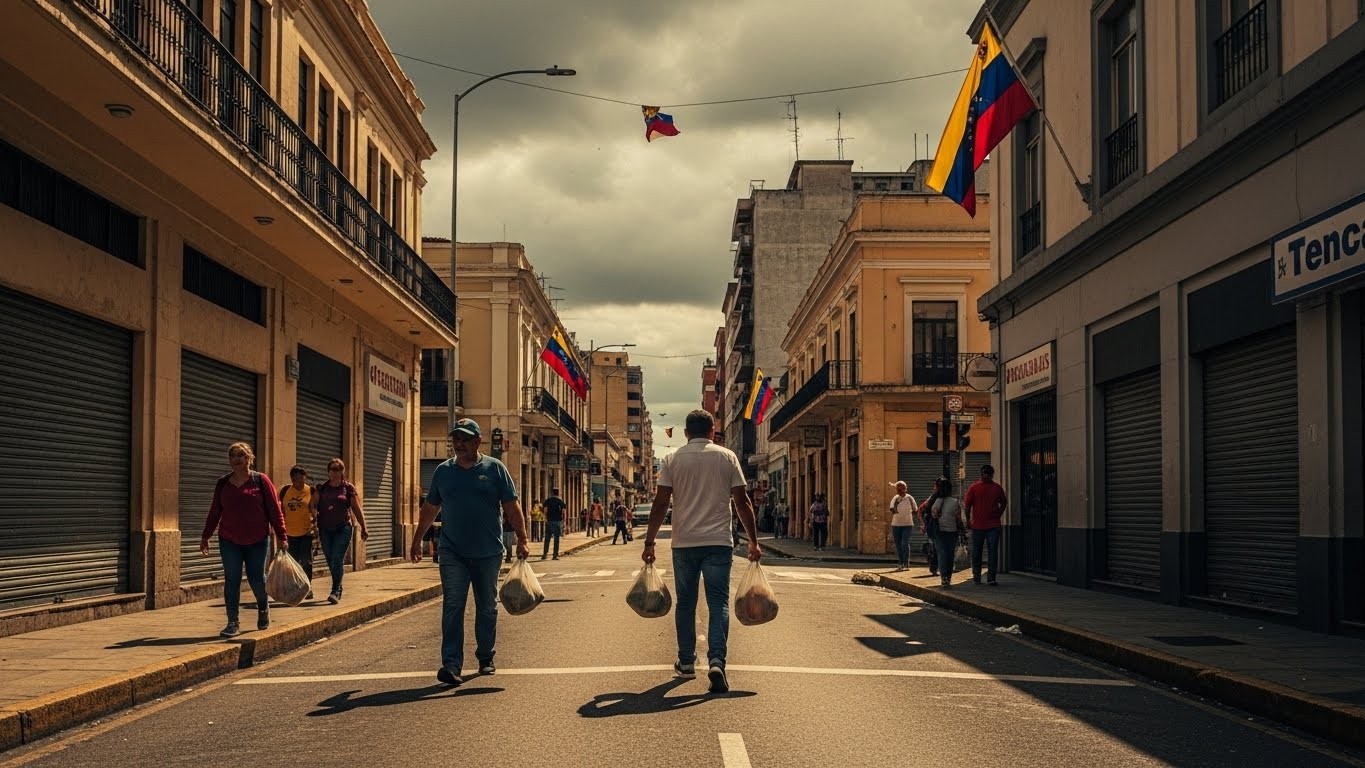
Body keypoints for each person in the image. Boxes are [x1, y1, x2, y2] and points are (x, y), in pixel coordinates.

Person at [642, 409, 761, 695]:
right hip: (719, 541)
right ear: (712, 431)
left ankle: (685, 661)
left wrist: (649, 541)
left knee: (686, 603)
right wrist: (754, 542)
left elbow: (660, 504)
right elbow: (742, 501)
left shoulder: (672, 459)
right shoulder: (727, 457)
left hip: (684, 543)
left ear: (685, 433)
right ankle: (717, 659)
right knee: (718, 601)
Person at [410, 418, 527, 687]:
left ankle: (485, 656)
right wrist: (417, 540)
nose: (459, 444)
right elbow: (430, 509)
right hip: (452, 552)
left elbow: (511, 506)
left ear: (477, 442)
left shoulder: (495, 469)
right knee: (453, 606)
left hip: (488, 553)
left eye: (465, 439)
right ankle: (451, 664)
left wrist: (521, 538)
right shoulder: (442, 472)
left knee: (487, 607)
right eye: (456, 439)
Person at [199, 442, 287, 638]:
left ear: (249, 458)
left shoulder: (260, 481)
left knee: (257, 579)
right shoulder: (223, 483)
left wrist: (282, 536)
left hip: (257, 539)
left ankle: (263, 607)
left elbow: (274, 510)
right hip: (229, 539)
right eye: (233, 456)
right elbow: (215, 511)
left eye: (241, 456)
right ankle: (232, 622)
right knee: (232, 580)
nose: (236, 460)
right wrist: (206, 535)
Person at [310, 457, 369, 604]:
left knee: (337, 558)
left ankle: (335, 590)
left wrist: (364, 527)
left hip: (343, 528)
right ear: (328, 472)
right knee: (330, 559)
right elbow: (312, 504)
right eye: (332, 469)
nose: (335, 472)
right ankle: (338, 585)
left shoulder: (348, 488)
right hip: (325, 529)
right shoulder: (321, 488)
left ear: (343, 471)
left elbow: (356, 509)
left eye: (338, 469)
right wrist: (314, 513)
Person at [964, 464, 1008, 586]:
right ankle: (977, 575)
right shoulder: (974, 487)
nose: (985, 475)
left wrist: (998, 513)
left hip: (992, 525)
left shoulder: (997, 488)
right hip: (978, 525)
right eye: (984, 473)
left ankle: (991, 577)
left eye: (988, 473)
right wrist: (968, 520)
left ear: (991, 475)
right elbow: (967, 506)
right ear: (981, 474)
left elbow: (1004, 502)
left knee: (992, 551)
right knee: (977, 552)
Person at [280, 464, 317, 600]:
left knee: (307, 562)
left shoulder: (311, 491)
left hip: (306, 533)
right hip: (289, 534)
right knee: (293, 564)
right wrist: (279, 533)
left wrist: (316, 527)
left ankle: (307, 587)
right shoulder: (284, 491)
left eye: (302, 479)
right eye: (297, 479)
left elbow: (315, 510)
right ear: (292, 479)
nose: (300, 482)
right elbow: (280, 512)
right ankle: (296, 588)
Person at [928, 478, 966, 588]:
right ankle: (948, 578)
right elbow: (958, 519)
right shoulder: (955, 502)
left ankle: (944, 578)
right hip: (952, 532)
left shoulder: (937, 500)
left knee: (942, 555)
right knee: (950, 555)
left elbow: (934, 514)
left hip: (939, 532)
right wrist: (963, 531)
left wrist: (940, 516)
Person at [889, 481, 919, 572]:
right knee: (898, 545)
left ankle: (906, 563)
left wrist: (909, 517)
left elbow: (915, 510)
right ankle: (901, 563)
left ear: (905, 488)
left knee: (904, 543)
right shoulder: (895, 498)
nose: (899, 490)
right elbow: (891, 509)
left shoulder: (910, 498)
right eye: (897, 488)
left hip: (907, 525)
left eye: (901, 488)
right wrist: (896, 510)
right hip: (896, 525)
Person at [916, 480, 942, 577]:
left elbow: (920, 510)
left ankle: (936, 568)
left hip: (935, 527)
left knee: (936, 548)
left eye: (935, 486)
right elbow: (920, 510)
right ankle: (935, 568)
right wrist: (923, 524)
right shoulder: (933, 498)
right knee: (936, 548)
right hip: (934, 527)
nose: (934, 488)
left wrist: (923, 524)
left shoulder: (935, 497)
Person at [541, 487, 566, 560]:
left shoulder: (547, 501)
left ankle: (544, 555)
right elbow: (563, 512)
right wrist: (563, 522)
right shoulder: (560, 501)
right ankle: (555, 555)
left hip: (549, 521)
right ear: (558, 493)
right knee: (556, 539)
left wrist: (545, 519)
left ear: (552, 492)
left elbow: (545, 510)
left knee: (547, 538)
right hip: (557, 521)